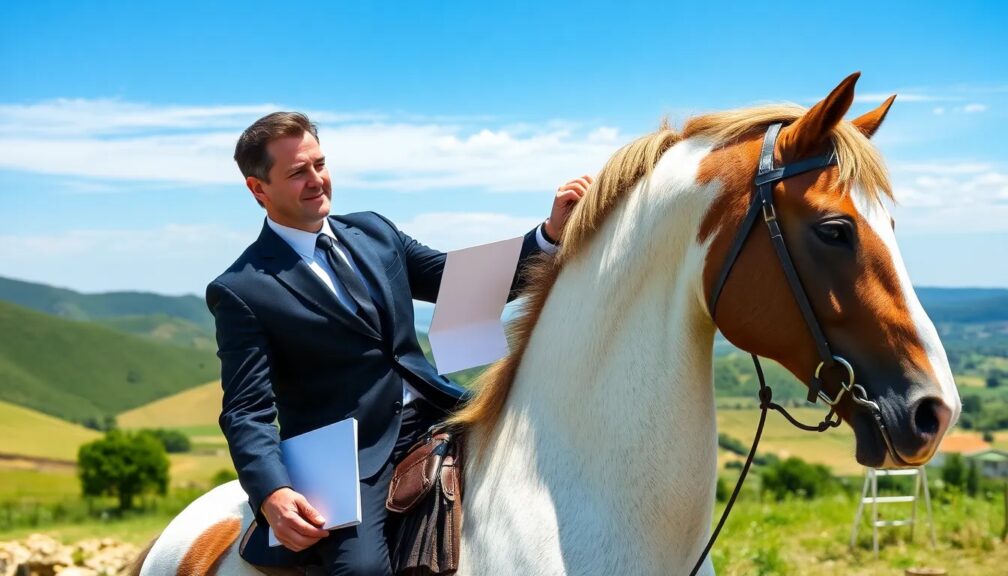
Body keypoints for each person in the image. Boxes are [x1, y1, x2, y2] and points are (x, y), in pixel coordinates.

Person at [207, 111, 589, 575]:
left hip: (440, 407)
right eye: (296, 172)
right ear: (257, 189)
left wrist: (548, 235)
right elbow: (246, 411)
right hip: (351, 461)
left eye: (319, 164)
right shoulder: (241, 289)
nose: (316, 180)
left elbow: (456, 282)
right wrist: (271, 492)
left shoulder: (374, 230)